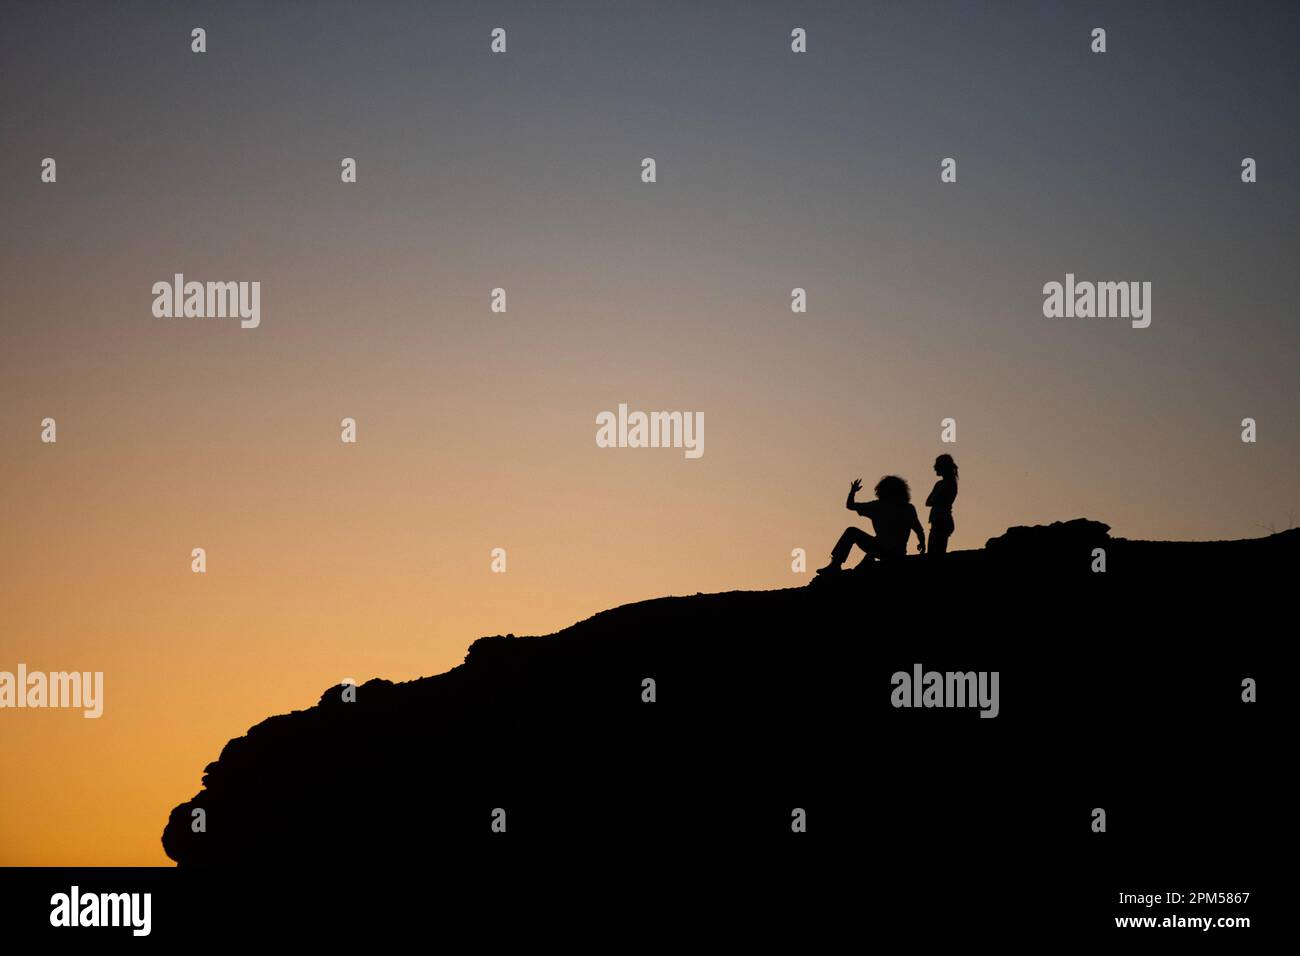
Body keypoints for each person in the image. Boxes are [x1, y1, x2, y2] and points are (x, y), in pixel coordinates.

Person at [816, 475, 925, 574]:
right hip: (895, 552)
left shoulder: (878, 506)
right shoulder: (907, 508)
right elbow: (918, 529)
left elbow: (850, 505)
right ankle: (845, 564)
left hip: (884, 550)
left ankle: (835, 564)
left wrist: (853, 492)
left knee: (851, 532)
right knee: (858, 538)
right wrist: (922, 543)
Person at [925, 454, 959, 555]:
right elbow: (928, 502)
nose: (935, 468)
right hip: (936, 521)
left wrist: (936, 501)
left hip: (943, 520)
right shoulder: (939, 484)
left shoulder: (950, 483)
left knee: (938, 553)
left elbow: (936, 501)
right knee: (932, 552)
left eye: (937, 465)